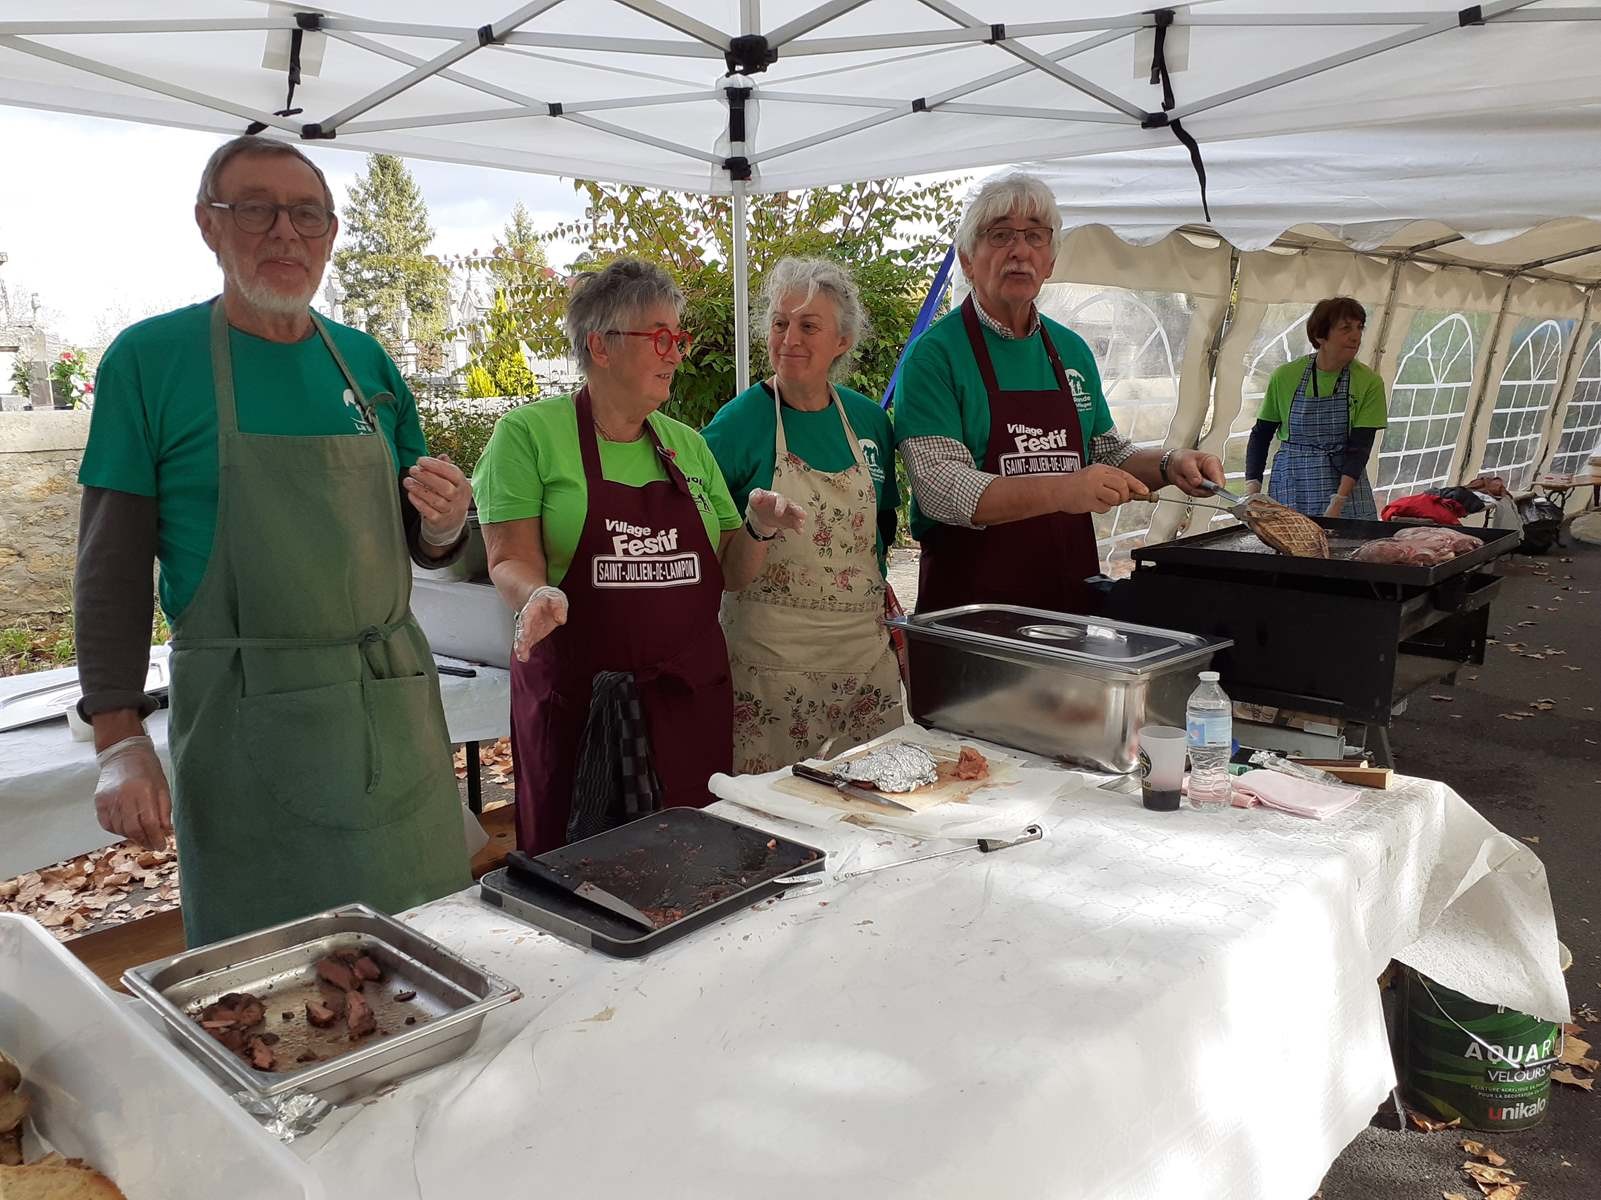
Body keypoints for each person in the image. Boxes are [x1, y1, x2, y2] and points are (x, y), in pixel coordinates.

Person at [74, 135, 473, 947]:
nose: (284, 233)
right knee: (273, 987)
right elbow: (109, 566)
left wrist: (442, 525)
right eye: (254, 209)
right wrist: (118, 737)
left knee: (429, 951)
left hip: (389, 706)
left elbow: (419, 540)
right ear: (207, 225)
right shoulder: (149, 362)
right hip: (243, 723)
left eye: (307, 215)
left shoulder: (365, 363)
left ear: (329, 234)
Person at [473, 259, 804, 853]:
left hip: (686, 708)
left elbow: (731, 573)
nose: (675, 353)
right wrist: (537, 594)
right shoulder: (528, 435)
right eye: (660, 338)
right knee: (580, 878)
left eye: (678, 338)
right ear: (600, 346)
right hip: (580, 711)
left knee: (696, 867)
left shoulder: (688, 446)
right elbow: (508, 558)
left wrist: (757, 528)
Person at [894, 173, 1224, 614]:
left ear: (1050, 261)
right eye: (1000, 235)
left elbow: (1110, 454)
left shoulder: (1071, 351)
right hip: (973, 616)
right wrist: (1064, 490)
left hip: (1067, 606)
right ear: (968, 260)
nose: (1020, 250)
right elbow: (942, 487)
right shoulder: (936, 356)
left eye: (1035, 236)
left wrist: (1169, 464)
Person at [703, 258, 904, 773]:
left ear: (842, 341)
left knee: (876, 809)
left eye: (808, 325)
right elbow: (706, 541)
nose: (789, 337)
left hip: (863, 665)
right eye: (779, 322)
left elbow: (881, 530)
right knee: (771, 823)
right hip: (770, 669)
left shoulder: (868, 421)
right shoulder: (738, 423)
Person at [1245, 296, 1388, 519]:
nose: (1356, 336)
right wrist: (1252, 491)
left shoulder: (1369, 382)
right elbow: (1261, 434)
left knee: (1345, 547)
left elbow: (1360, 448)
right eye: (1346, 328)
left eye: (1359, 328)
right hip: (1292, 478)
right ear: (1321, 335)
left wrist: (1339, 501)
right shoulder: (1285, 376)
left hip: (1343, 481)